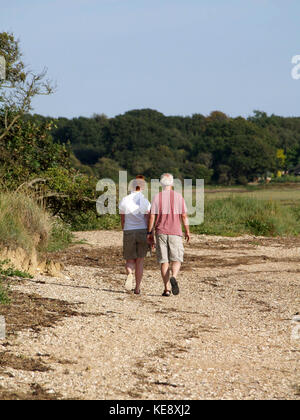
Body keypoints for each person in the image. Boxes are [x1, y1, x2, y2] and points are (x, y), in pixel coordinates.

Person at [147, 173, 190, 297]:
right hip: (175, 232)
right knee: (176, 259)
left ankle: (166, 289)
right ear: (172, 183)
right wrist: (187, 230)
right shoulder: (179, 197)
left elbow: (152, 216)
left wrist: (149, 232)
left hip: (160, 232)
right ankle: (174, 276)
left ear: (161, 183)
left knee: (164, 261)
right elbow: (184, 216)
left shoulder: (156, 197)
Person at [119, 175, 151, 295]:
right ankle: (137, 288)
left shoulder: (125, 200)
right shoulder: (145, 201)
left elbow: (122, 219)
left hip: (129, 230)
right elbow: (148, 218)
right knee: (140, 261)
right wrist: (150, 233)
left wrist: (125, 229)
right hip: (142, 230)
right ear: (142, 187)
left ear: (132, 187)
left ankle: (129, 274)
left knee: (129, 259)